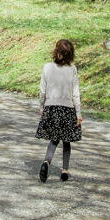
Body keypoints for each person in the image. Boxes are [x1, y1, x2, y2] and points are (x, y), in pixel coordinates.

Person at [35, 39, 82, 182]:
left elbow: (42, 91)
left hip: (52, 107)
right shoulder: (72, 69)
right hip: (68, 108)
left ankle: (46, 162)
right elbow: (76, 93)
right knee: (66, 141)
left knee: (54, 139)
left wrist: (42, 107)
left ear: (56, 52)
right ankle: (65, 171)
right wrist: (78, 113)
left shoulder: (47, 67)